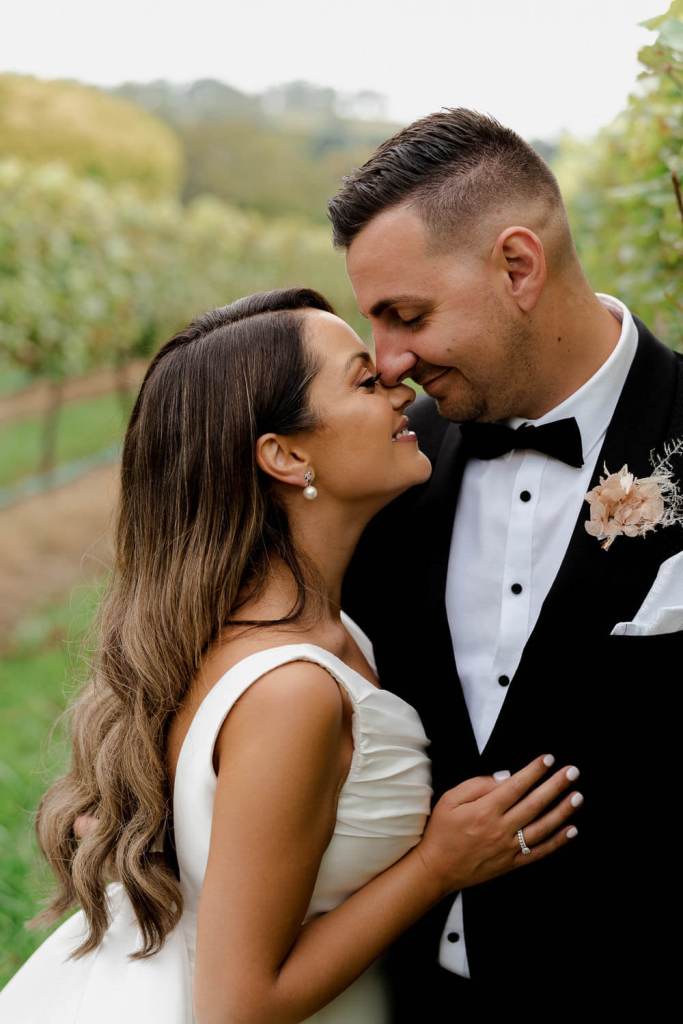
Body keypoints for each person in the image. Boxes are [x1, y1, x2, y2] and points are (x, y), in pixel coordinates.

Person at [0, 288, 582, 1023]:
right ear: (284, 454)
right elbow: (237, 1008)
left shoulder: (280, 629)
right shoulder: (292, 692)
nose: (400, 388)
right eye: (364, 382)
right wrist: (437, 866)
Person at [330, 108, 683, 1013]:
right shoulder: (385, 463)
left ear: (517, 266)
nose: (388, 362)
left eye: (407, 316)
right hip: (409, 992)